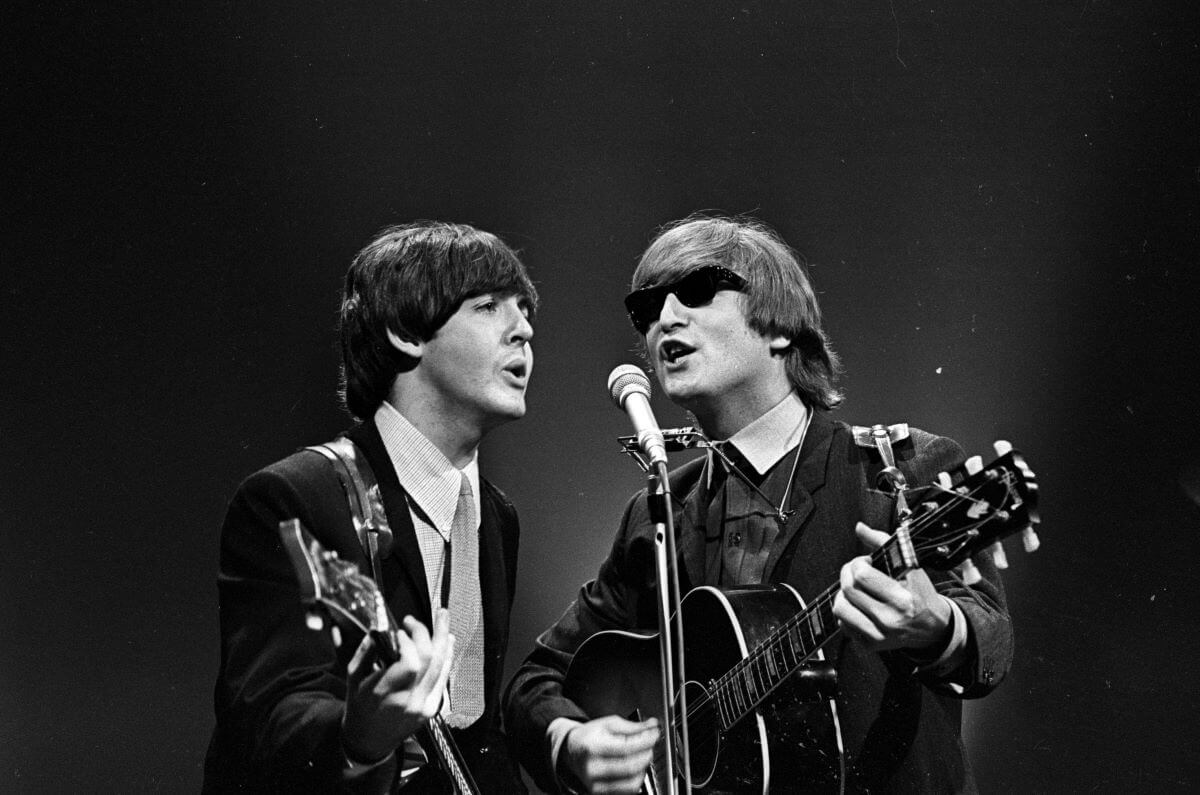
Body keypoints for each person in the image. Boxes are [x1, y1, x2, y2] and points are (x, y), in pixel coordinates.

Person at [503, 215, 1012, 793]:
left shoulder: (897, 470)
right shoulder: (659, 513)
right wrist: (570, 741)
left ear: (779, 329)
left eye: (696, 292)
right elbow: (535, 681)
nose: (665, 318)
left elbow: (990, 639)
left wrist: (937, 626)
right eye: (646, 311)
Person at [203, 221, 536, 792]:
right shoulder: (294, 497)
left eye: (525, 309)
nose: (523, 329)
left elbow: (475, 733)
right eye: (488, 306)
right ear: (407, 332)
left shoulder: (496, 515)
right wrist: (358, 733)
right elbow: (269, 714)